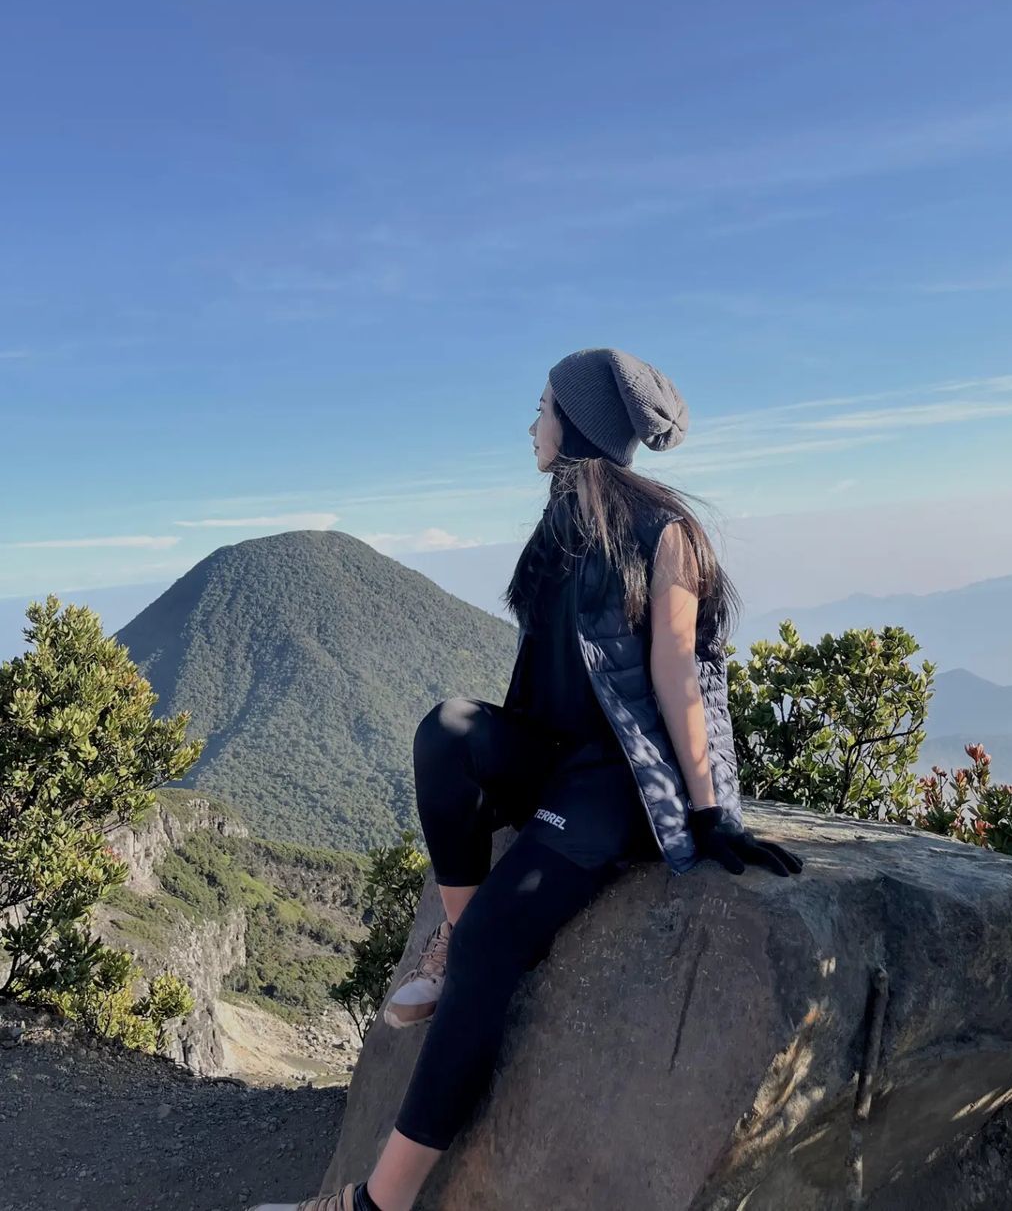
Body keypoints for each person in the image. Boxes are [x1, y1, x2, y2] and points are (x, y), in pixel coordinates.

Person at [253, 348, 802, 1211]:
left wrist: (709, 809)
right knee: (447, 731)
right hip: (547, 754)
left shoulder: (668, 535)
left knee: (494, 951)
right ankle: (457, 946)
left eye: (543, 406)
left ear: (575, 423)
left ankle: (377, 1203)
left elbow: (680, 677)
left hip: (610, 784)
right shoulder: (564, 521)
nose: (532, 422)